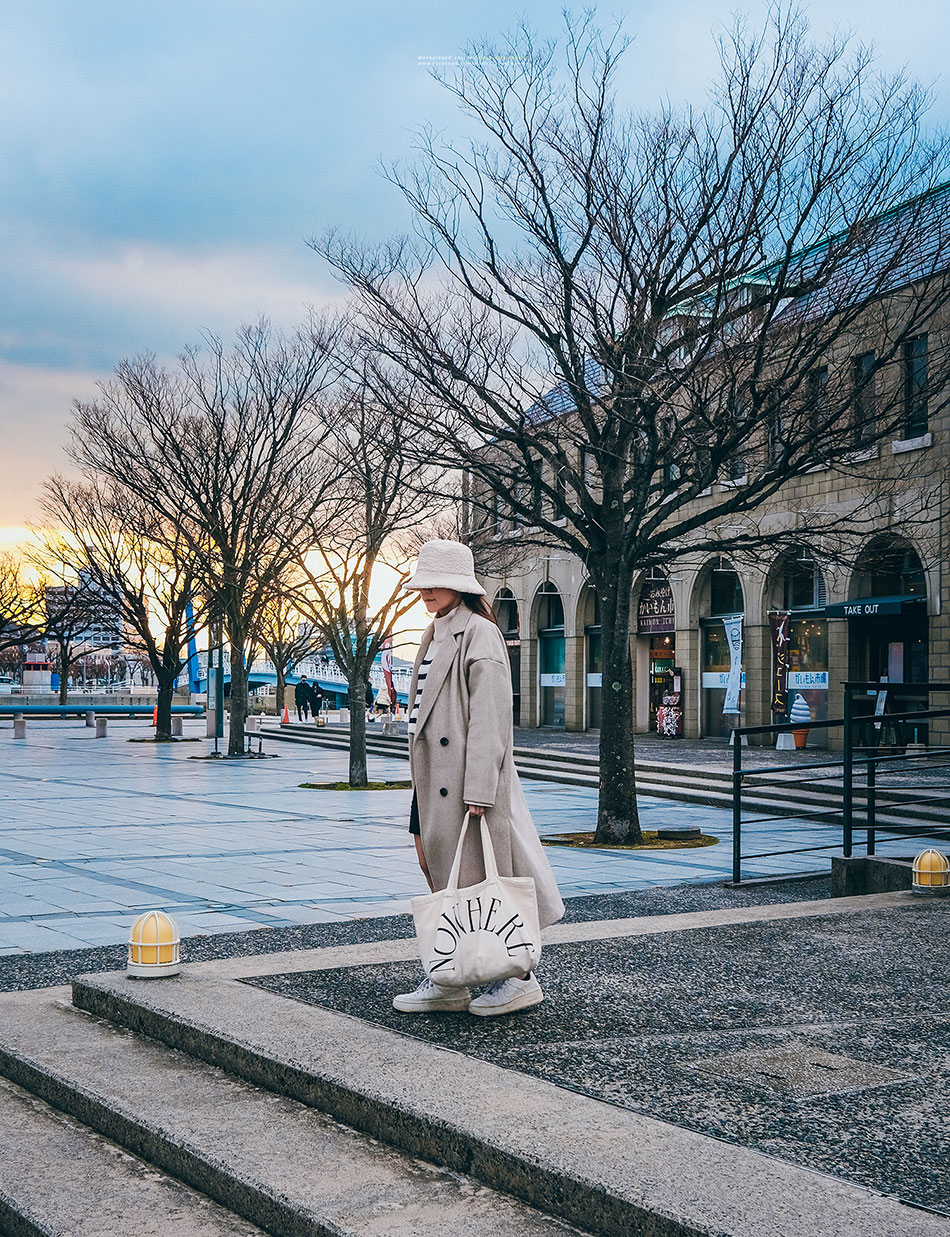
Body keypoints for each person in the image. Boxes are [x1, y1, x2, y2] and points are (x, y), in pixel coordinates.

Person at [393, 539, 564, 1018]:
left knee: (480, 882)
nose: (425, 593)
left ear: (459, 586)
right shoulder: (436, 632)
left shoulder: (478, 634)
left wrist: (480, 790)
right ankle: (449, 975)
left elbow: (491, 720)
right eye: (422, 584)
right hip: (431, 780)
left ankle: (517, 976)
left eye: (435, 584)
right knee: (439, 874)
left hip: (467, 785)